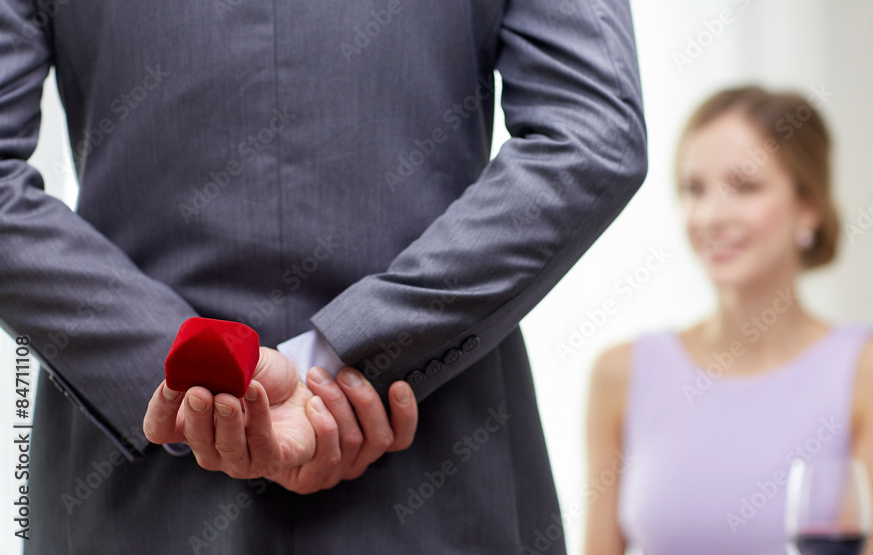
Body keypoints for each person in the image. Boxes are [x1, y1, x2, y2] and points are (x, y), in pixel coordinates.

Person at [0, 0, 647, 552]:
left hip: (128, 486)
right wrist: (347, 353)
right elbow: (592, 136)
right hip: (436, 465)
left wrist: (196, 371)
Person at [583, 86, 873, 554]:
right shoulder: (622, 373)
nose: (710, 216)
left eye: (744, 187)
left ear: (809, 207)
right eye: (693, 189)